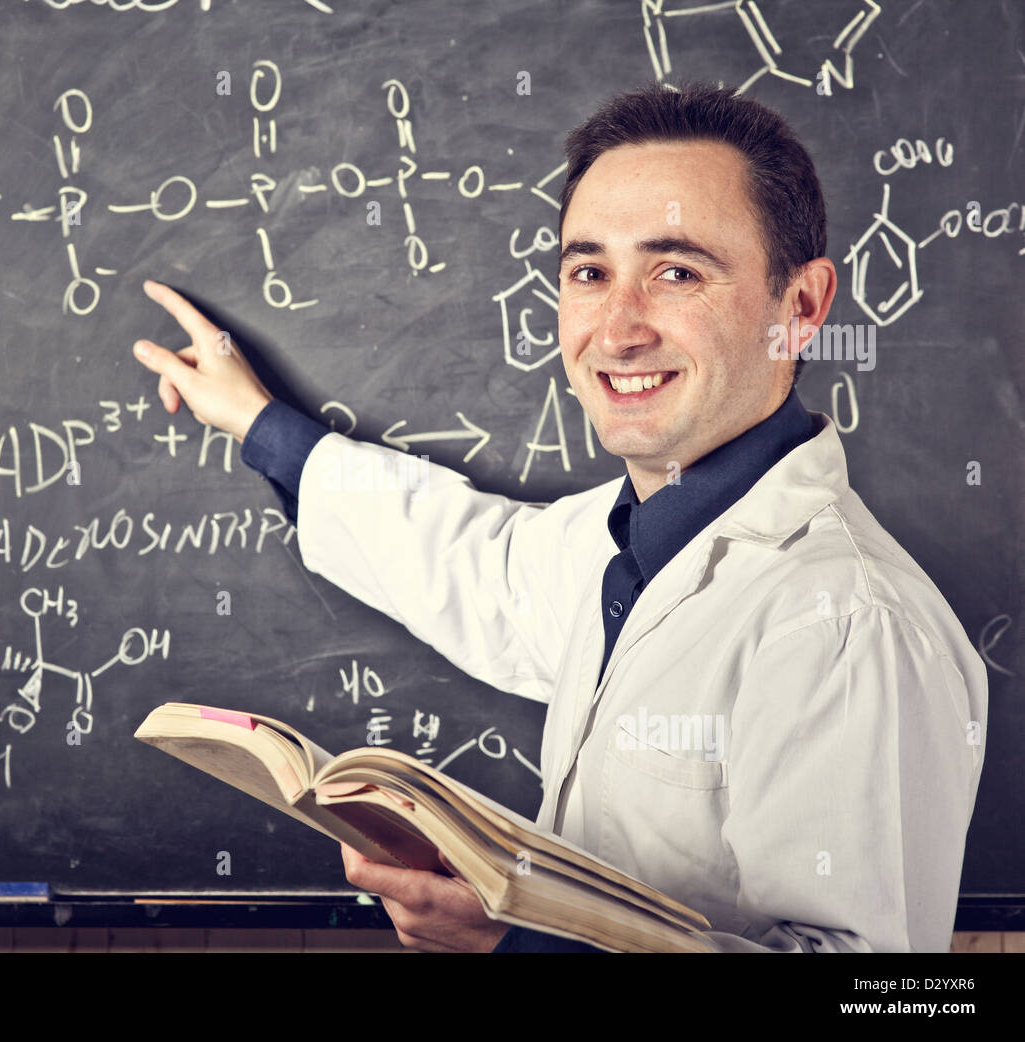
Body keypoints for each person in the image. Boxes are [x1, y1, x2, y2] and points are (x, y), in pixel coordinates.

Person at [130, 82, 988, 953]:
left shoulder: (850, 627)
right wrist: (255, 423)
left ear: (799, 309)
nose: (615, 330)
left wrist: (521, 945)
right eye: (589, 273)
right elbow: (463, 561)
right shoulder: (622, 543)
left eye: (677, 272)